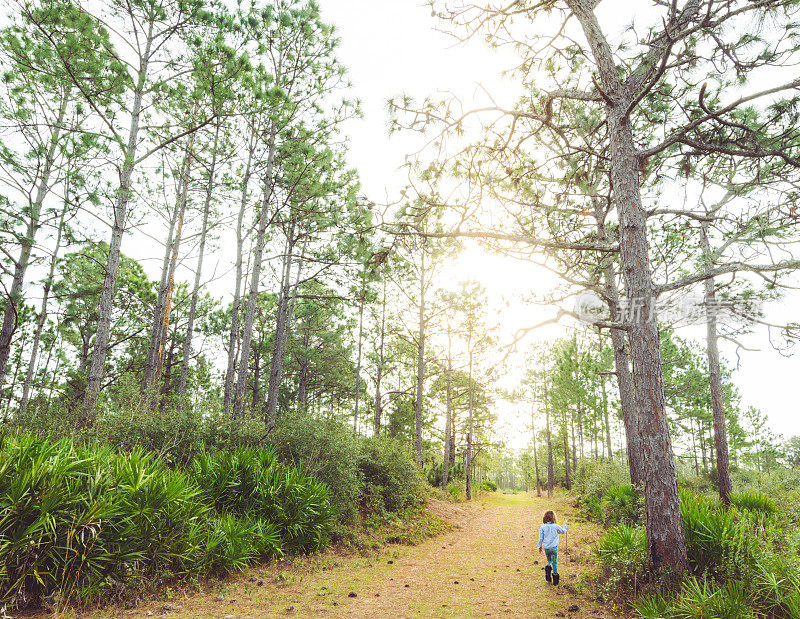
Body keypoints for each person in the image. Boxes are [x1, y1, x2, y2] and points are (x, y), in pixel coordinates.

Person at [538, 510, 567, 585]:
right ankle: (555, 580)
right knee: (554, 563)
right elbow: (563, 531)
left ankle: (548, 576)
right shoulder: (556, 526)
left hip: (546, 548)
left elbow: (541, 538)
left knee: (548, 560)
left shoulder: (543, 527)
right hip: (554, 548)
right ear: (553, 518)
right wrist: (565, 525)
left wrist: (539, 546)